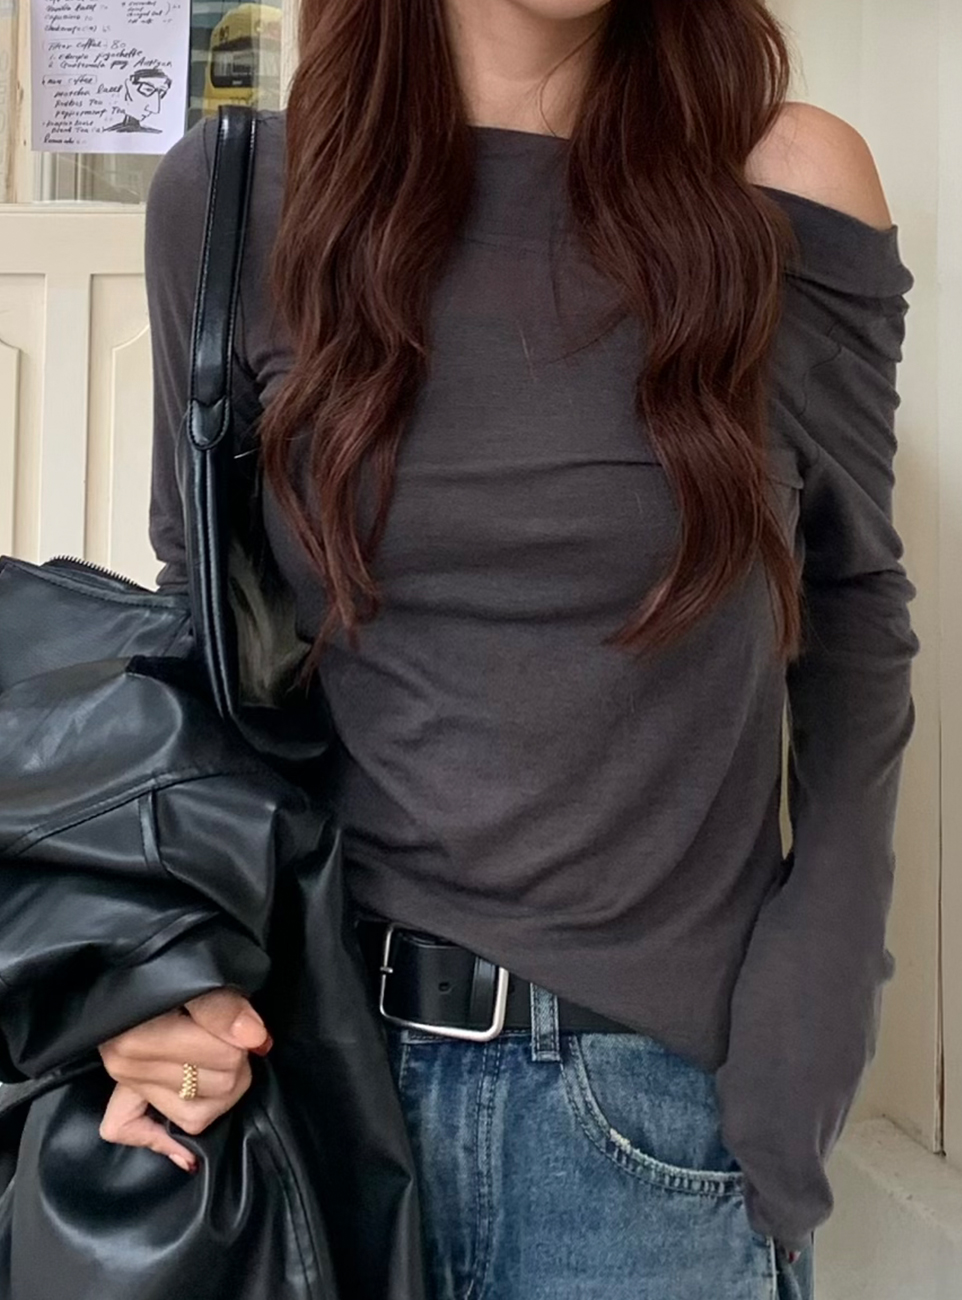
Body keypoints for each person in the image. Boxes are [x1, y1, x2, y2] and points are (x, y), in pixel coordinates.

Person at [99, 2, 920, 1297]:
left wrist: (815, 1010)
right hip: (311, 1092)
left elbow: (855, 603)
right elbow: (202, 614)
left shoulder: (786, 182)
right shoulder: (236, 193)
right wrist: (157, 972)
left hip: (648, 1128)